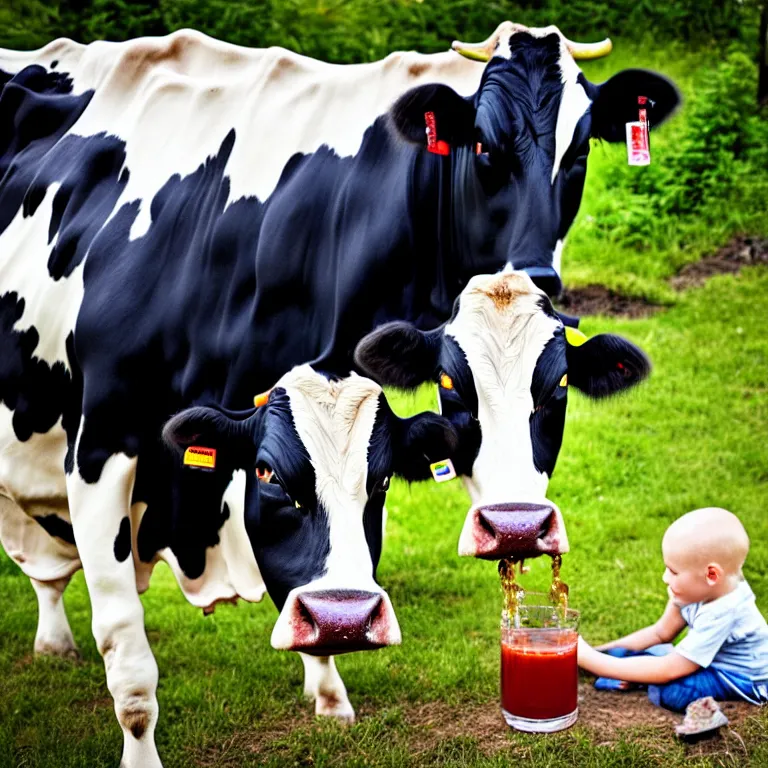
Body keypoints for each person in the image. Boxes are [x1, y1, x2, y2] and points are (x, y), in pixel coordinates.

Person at [577, 507, 768, 711]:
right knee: (624, 651)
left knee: (674, 691)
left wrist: (592, 660)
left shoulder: (725, 610)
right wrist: (599, 652)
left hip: (737, 677)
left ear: (711, 575)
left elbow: (670, 669)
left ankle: (641, 676)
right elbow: (661, 632)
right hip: (705, 660)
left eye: (673, 571)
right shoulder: (696, 589)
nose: (665, 578)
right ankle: (635, 668)